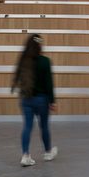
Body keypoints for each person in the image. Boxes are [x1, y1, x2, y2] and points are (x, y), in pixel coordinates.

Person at [11, 34, 57, 167]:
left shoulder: (23, 60)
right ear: (39, 45)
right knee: (44, 127)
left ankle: (25, 155)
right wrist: (52, 101)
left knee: (27, 127)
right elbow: (49, 84)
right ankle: (48, 152)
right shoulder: (45, 61)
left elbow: (18, 80)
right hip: (41, 100)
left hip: (26, 99)